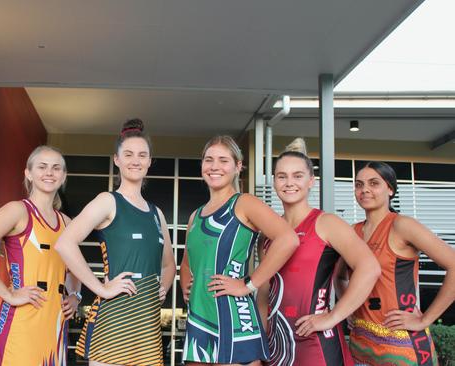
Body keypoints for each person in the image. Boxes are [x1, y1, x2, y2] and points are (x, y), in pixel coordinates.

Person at [55, 118, 176, 366]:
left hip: (147, 325)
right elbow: (65, 243)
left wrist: (161, 288)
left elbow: (169, 265)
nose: (136, 160)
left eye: (142, 155)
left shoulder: (157, 214)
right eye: (128, 154)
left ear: (150, 162)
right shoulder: (107, 201)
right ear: (117, 159)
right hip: (114, 320)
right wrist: (100, 289)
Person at [255, 138, 380, 366]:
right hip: (277, 347)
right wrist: (260, 343)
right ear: (273, 181)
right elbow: (263, 292)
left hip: (317, 345)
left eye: (298, 176)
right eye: (282, 176)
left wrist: (332, 317)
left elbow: (369, 268)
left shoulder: (326, 223)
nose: (289, 182)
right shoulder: (267, 234)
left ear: (311, 181)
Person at [178, 135, 298, 365]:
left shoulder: (244, 203)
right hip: (200, 319)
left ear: (238, 166)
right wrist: (187, 286)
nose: (214, 166)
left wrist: (248, 284)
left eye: (223, 160)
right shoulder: (195, 215)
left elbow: (288, 239)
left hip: (235, 318)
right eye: (209, 159)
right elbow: (187, 262)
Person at [0, 145, 80, 366]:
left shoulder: (67, 223)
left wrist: (75, 295)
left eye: (56, 168)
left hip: (55, 324)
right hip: (21, 321)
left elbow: (75, 269)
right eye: (42, 167)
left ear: (63, 176)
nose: (49, 173)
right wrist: (7, 294)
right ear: (28, 173)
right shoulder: (17, 210)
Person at [346, 161, 455, 365]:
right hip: (360, 342)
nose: (365, 189)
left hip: (401, 342)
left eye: (373, 183)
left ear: (390, 189)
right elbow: (341, 276)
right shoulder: (353, 232)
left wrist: (425, 319)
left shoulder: (402, 225)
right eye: (359, 184)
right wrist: (348, 308)